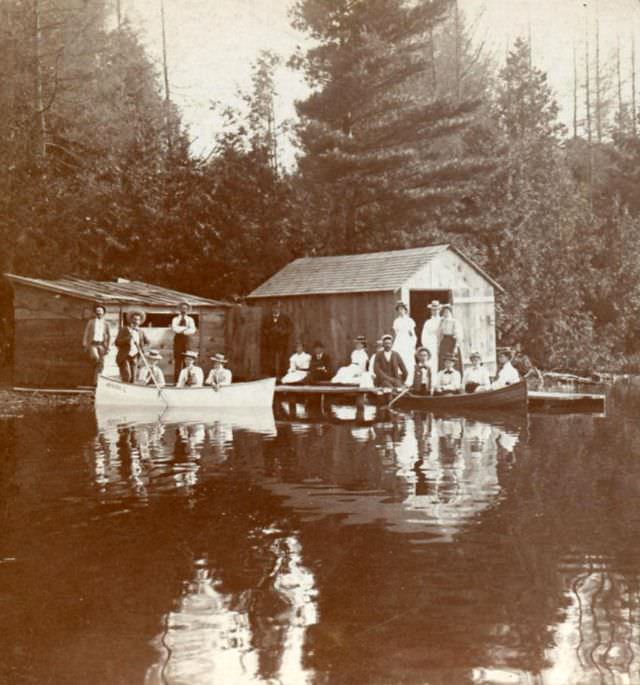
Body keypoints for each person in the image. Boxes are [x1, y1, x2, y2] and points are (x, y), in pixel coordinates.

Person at [115, 311, 149, 383]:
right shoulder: (125, 329)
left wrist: (142, 349)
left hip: (135, 356)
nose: (136, 321)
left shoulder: (141, 332)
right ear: (131, 320)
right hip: (124, 356)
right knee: (127, 376)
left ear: (140, 321)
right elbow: (117, 342)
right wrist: (128, 338)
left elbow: (148, 342)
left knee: (133, 378)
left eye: (138, 320)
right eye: (134, 319)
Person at [83, 303, 112, 384]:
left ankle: (96, 382)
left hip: (102, 345)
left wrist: (108, 346)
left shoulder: (106, 323)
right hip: (93, 344)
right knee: (96, 359)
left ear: (103, 313)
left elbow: (109, 335)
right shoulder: (91, 322)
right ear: (95, 313)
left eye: (101, 311)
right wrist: (85, 343)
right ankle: (94, 379)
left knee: (101, 362)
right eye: (97, 311)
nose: (99, 313)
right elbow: (86, 332)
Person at [261, 302, 293, 378]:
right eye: (274, 308)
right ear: (272, 309)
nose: (275, 309)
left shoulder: (285, 317)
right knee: (271, 358)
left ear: (280, 309)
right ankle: (271, 375)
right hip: (271, 342)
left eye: (277, 308)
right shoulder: (267, 318)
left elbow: (290, 328)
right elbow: (263, 328)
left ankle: (282, 374)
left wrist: (283, 332)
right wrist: (268, 333)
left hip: (282, 342)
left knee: (282, 358)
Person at [392, 301, 417, 385]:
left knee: (408, 359)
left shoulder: (409, 320)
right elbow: (396, 333)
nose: (401, 311)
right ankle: (399, 379)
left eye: (402, 309)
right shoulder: (396, 321)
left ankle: (409, 380)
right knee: (398, 358)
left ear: (405, 310)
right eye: (399, 309)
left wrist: (412, 344)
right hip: (399, 341)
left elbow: (412, 334)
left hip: (407, 341)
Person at [171, 301, 197, 380]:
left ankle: (186, 380)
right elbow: (175, 329)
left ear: (188, 310)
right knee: (178, 361)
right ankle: (177, 381)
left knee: (188, 359)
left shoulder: (190, 319)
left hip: (187, 341)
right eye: (182, 308)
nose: (184, 310)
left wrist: (183, 330)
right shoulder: (175, 319)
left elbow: (192, 330)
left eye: (185, 308)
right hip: (178, 340)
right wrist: (186, 328)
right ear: (179, 309)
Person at [438, 304, 463, 372]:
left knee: (453, 358)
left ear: (450, 312)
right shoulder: (442, 321)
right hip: (444, 342)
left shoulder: (454, 321)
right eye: (444, 312)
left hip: (452, 341)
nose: (446, 313)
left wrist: (456, 346)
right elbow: (440, 334)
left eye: (447, 312)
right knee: (443, 359)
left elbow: (458, 335)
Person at [420, 300, 441, 380]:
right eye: (433, 310)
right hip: (431, 342)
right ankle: (432, 380)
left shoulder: (442, 320)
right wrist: (426, 345)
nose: (435, 311)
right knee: (432, 361)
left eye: (436, 309)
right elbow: (424, 335)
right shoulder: (428, 322)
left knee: (440, 361)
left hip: (440, 342)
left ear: (439, 310)